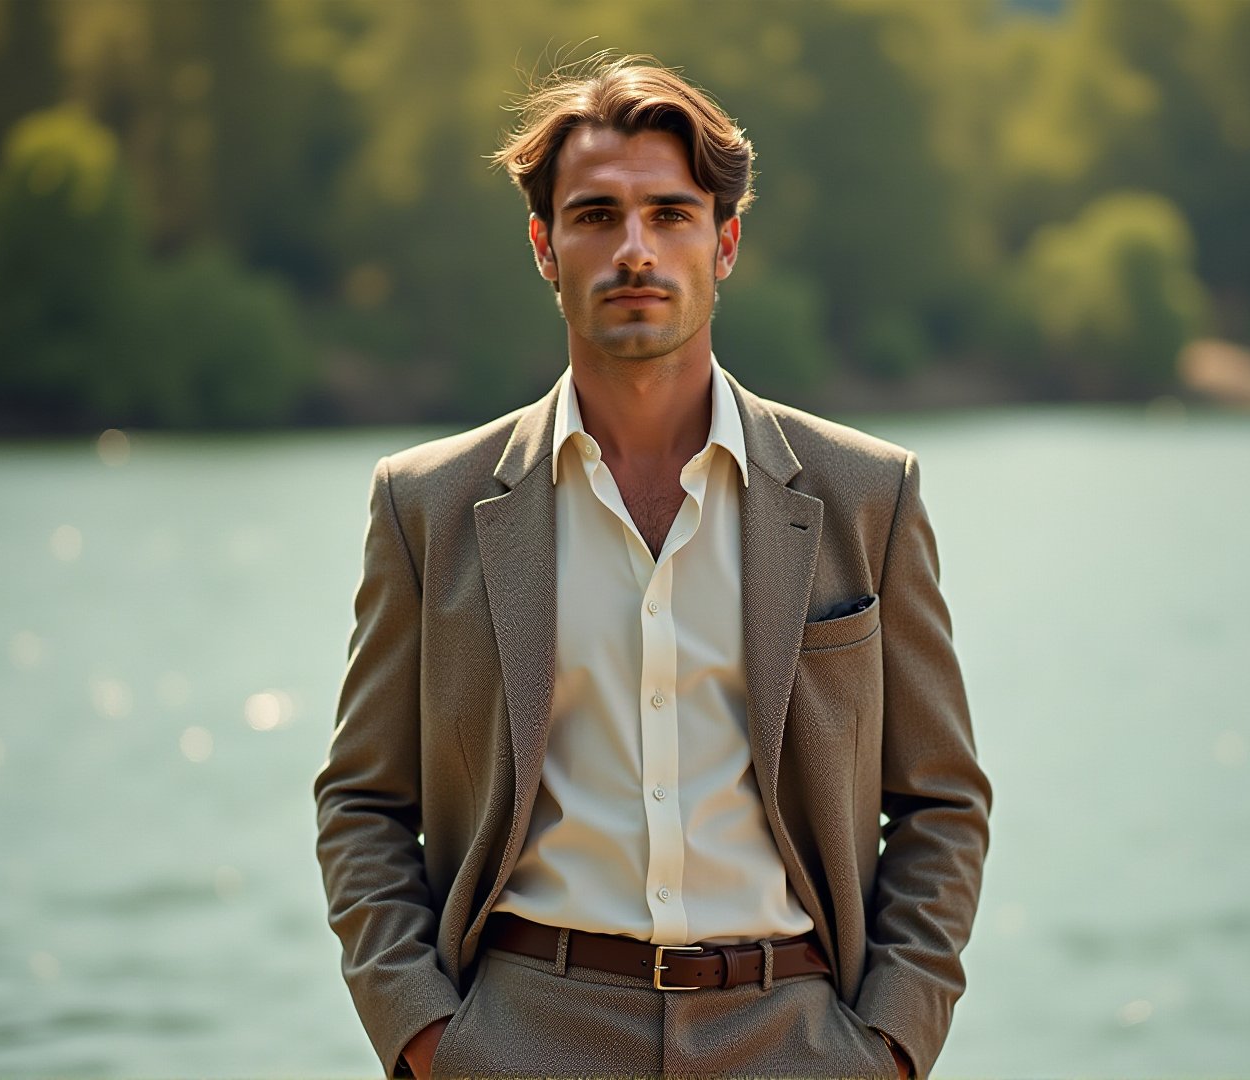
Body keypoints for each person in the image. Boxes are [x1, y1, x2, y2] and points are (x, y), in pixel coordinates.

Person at [313, 55, 991, 1079]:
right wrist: (427, 1041)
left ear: (724, 244)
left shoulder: (866, 497)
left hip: (794, 1037)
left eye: (670, 214)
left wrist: (892, 1045)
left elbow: (941, 803)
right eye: (596, 215)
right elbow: (364, 802)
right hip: (523, 1035)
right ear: (545, 246)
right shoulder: (429, 507)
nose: (635, 249)